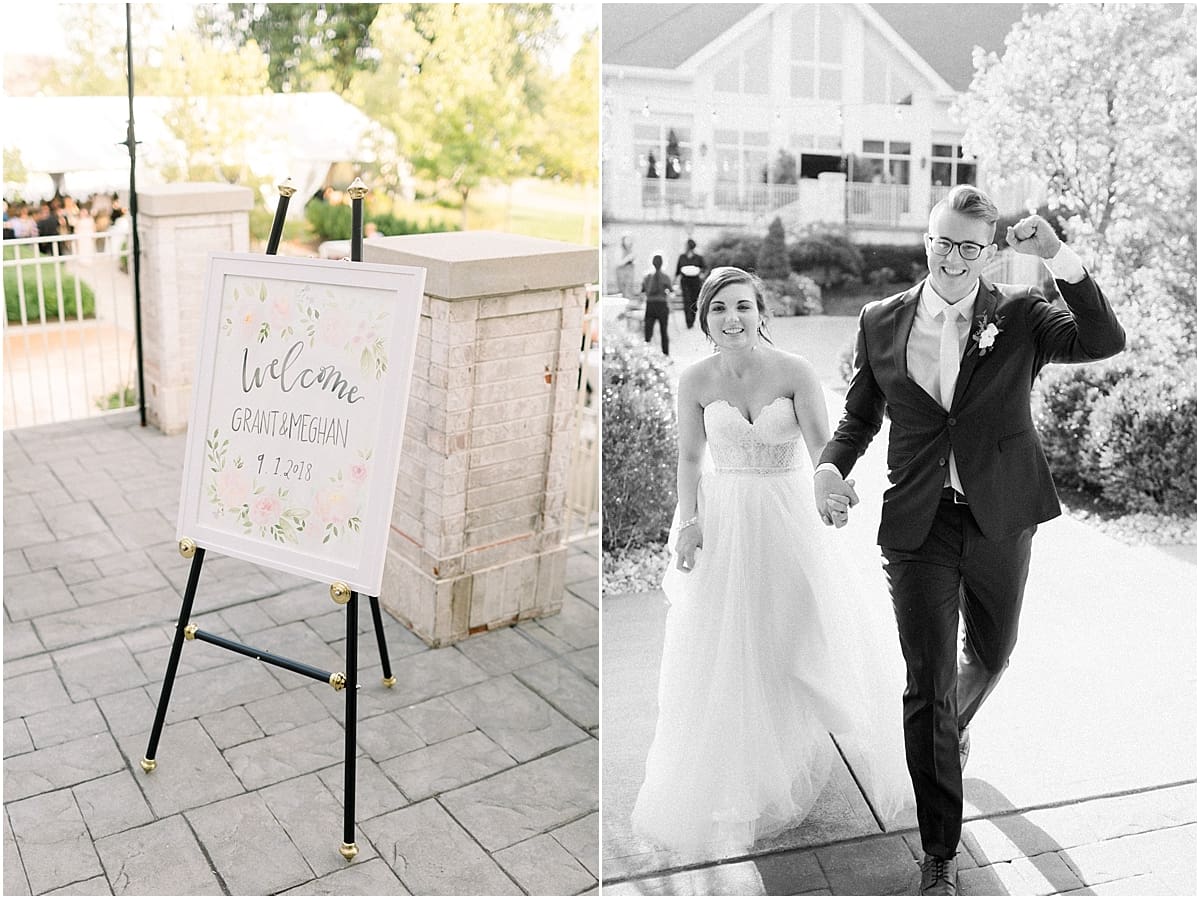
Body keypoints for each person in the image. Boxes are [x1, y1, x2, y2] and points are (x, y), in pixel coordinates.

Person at [814, 185, 1125, 895]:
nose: (951, 256)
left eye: (967, 246)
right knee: (926, 686)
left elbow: (1104, 340)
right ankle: (940, 853)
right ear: (925, 238)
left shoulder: (1019, 316)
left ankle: (948, 734)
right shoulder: (880, 320)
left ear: (988, 253)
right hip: (918, 524)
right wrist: (829, 467)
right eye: (941, 240)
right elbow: (860, 416)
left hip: (1000, 517)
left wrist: (1059, 258)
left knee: (992, 652)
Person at [632, 266, 910, 854]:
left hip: (789, 515)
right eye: (718, 310)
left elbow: (822, 450)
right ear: (704, 319)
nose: (732, 319)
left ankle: (802, 746)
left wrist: (829, 490)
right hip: (727, 518)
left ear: (761, 312)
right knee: (735, 648)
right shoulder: (695, 380)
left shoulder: (795, 372)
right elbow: (688, 457)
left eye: (742, 307)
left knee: (798, 637)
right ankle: (750, 774)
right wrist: (688, 522)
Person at [640, 254, 673, 356]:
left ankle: (646, 354)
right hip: (662, 305)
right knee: (664, 331)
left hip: (650, 305)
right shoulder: (666, 277)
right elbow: (671, 291)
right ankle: (666, 354)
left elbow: (642, 291)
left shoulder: (647, 277)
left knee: (648, 332)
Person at [674, 238, 707, 329]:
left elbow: (704, 268)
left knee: (694, 301)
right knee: (686, 300)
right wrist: (674, 281)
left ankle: (692, 319)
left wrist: (701, 273)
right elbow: (678, 270)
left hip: (695, 281)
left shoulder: (698, 257)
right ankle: (688, 322)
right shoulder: (682, 257)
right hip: (685, 281)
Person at [615, 234, 636, 299]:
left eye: (630, 240)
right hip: (622, 273)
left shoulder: (631, 249)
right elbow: (618, 263)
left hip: (629, 272)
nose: (629, 242)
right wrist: (628, 258)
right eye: (627, 240)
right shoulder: (619, 250)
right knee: (623, 290)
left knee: (629, 290)